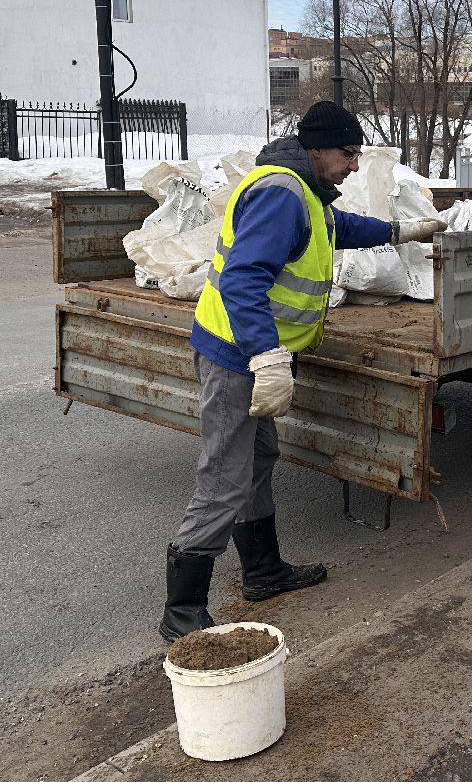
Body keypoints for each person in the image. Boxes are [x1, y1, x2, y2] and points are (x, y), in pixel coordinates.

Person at [160, 101, 446, 641]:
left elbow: (335, 226)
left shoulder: (303, 191)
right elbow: (244, 280)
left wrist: (401, 231)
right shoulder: (281, 194)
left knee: (258, 456)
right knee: (224, 475)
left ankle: (263, 571)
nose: (355, 165)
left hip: (249, 351)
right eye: (348, 153)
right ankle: (182, 611)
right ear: (317, 148)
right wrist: (267, 357)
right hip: (236, 354)